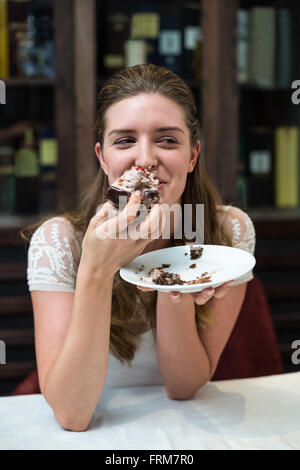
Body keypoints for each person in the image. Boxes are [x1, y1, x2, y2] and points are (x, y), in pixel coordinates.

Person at [23, 64, 255, 432]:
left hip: (186, 428)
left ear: (192, 156)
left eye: (167, 140)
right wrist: (96, 270)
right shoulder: (59, 241)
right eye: (125, 140)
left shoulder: (227, 232)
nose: (145, 159)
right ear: (102, 157)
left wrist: (175, 276)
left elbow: (183, 387)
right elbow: (72, 414)